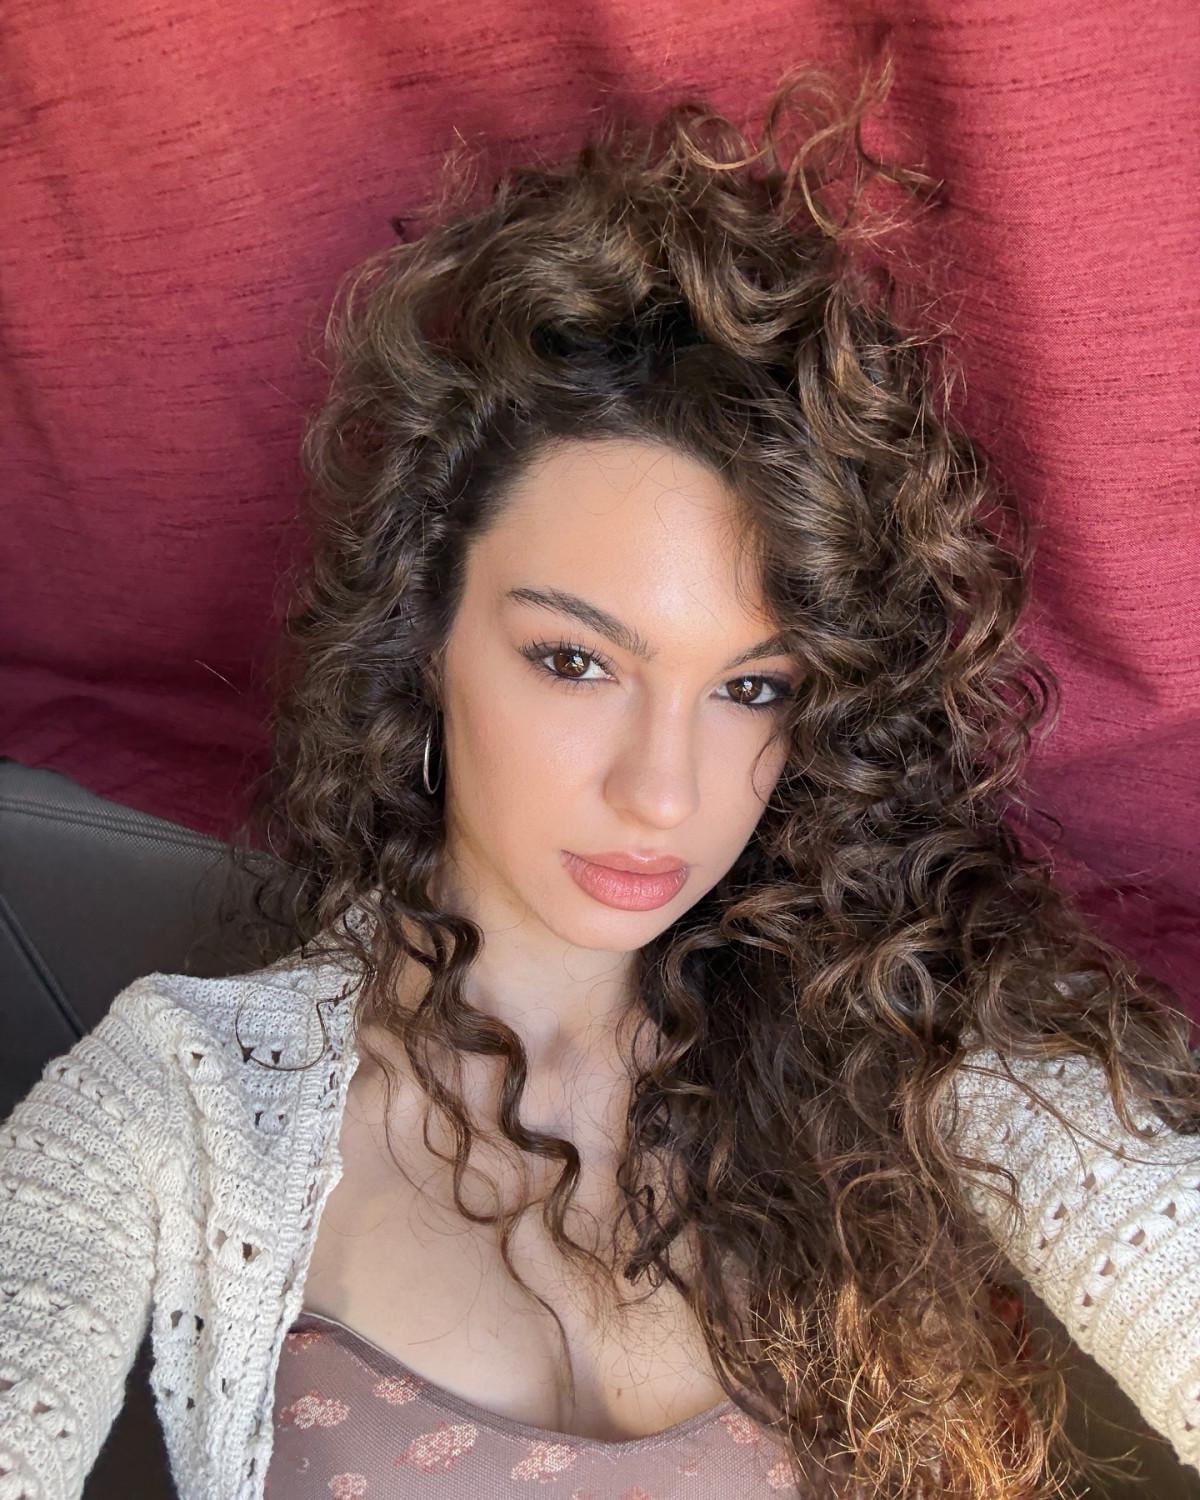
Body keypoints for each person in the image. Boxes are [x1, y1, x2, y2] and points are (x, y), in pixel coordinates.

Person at [1, 53, 1198, 1500]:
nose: (663, 793)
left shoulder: (900, 1038)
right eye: (575, 660)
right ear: (425, 633)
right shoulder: (179, 1104)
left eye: (750, 687)